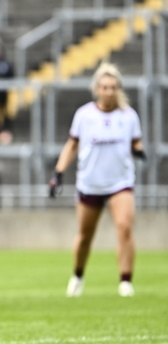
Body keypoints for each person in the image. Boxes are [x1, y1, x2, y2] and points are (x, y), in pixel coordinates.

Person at [49, 62, 145, 298]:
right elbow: (72, 145)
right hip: (90, 183)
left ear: (118, 89)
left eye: (113, 87)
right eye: (104, 87)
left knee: (124, 228)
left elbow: (135, 141)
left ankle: (125, 281)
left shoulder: (128, 116)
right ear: (97, 89)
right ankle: (78, 275)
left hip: (120, 182)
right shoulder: (84, 115)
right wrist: (58, 173)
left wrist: (139, 150)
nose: (109, 91)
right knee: (85, 235)